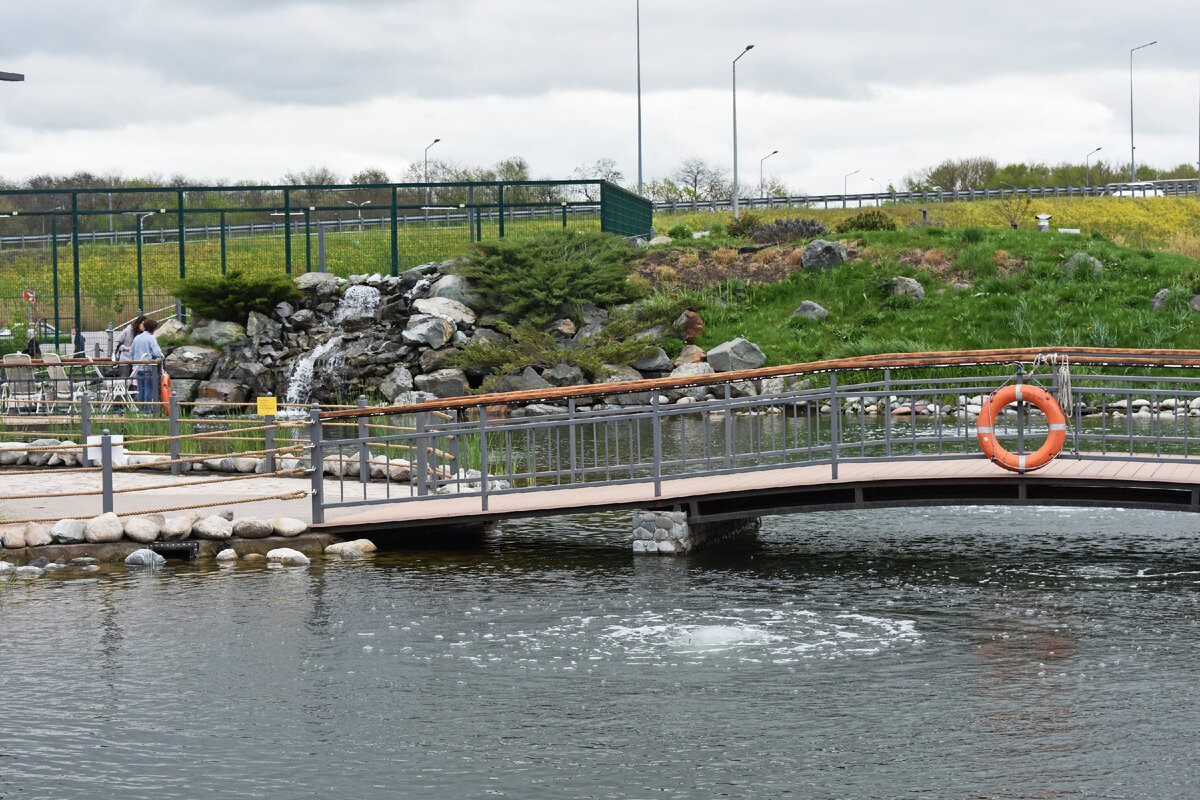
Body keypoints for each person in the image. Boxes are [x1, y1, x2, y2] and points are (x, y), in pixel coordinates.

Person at [129, 317, 164, 409]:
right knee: (149, 388)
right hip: (148, 367)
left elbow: (131, 352)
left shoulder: (137, 338)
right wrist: (161, 356)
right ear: (153, 329)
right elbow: (157, 352)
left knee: (140, 389)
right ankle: (147, 409)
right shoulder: (151, 338)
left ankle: (140, 408)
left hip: (137, 367)